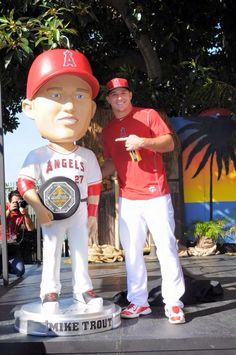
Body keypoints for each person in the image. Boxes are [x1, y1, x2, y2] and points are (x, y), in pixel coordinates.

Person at [17, 49, 103, 313]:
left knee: (80, 252)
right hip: (51, 212)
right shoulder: (38, 154)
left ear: (91, 108)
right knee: (52, 250)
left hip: (78, 210)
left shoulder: (86, 155)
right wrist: (40, 209)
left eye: (79, 96)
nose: (69, 106)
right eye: (56, 95)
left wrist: (92, 215)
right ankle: (49, 292)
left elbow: (94, 186)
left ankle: (82, 291)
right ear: (29, 108)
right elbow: (24, 184)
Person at [101, 78, 185, 324]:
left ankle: (174, 303)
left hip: (156, 194)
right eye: (114, 94)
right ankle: (138, 302)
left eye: (123, 93)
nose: (119, 97)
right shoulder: (107, 132)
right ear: (108, 99)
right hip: (128, 199)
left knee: (167, 248)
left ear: (130, 95)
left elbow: (169, 143)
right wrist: (89, 176)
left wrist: (143, 142)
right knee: (132, 252)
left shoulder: (148, 115)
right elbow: (110, 163)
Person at [0, 189, 34, 277]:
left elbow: (30, 228)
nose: (16, 204)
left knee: (20, 271)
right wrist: (8, 211)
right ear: (9, 202)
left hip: (12, 246)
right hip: (1, 245)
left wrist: (26, 214)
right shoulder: (3, 209)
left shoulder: (21, 212)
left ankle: (6, 267)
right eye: (14, 202)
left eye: (18, 202)